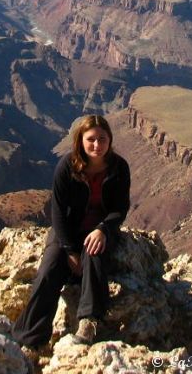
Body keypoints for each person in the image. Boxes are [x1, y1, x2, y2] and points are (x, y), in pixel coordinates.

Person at [12, 115, 131, 348]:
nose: (97, 145)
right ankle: (29, 339)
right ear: (80, 141)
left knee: (95, 256)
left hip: (100, 228)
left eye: (102, 139)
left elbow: (120, 208)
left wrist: (103, 229)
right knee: (49, 268)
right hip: (67, 227)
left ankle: (89, 321)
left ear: (110, 140)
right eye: (91, 139)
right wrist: (69, 250)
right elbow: (57, 211)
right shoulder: (67, 166)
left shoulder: (119, 168)